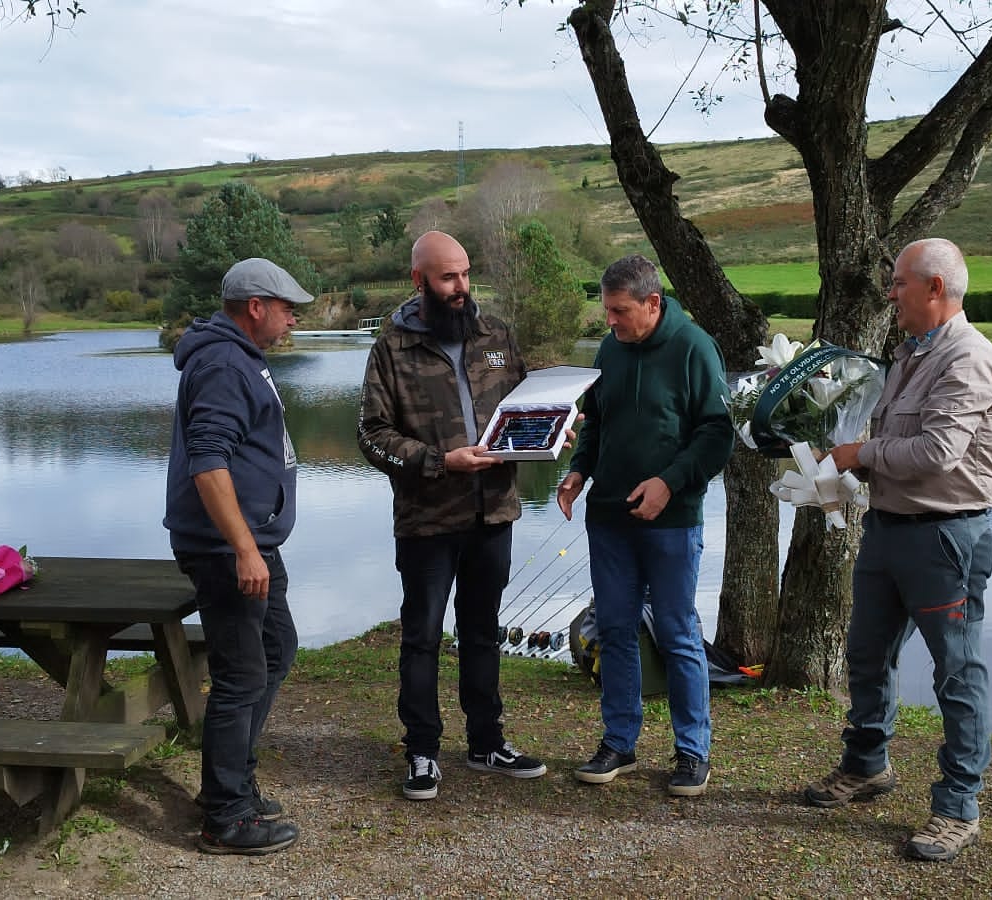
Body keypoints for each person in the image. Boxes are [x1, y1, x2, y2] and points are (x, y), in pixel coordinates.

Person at [807, 237, 992, 863]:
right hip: (888, 529)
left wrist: (857, 456)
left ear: (936, 289)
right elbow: (893, 442)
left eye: (899, 283)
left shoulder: (969, 360)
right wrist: (839, 472)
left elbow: (936, 455)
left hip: (946, 538)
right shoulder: (908, 355)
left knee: (956, 670)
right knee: (865, 652)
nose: (889, 293)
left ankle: (957, 807)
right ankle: (867, 764)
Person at [357, 231, 549, 801]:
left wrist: (554, 424)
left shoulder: (495, 334)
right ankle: (421, 751)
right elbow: (373, 436)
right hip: (427, 520)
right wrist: (440, 461)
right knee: (421, 637)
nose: (461, 288)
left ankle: (487, 741)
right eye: (448, 278)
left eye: (465, 274)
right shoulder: (391, 347)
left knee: (482, 631)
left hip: (494, 513)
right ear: (419, 281)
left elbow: (523, 407)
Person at [555, 254, 733, 798]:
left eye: (620, 311)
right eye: (607, 311)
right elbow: (596, 421)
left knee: (679, 634)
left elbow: (716, 433)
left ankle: (691, 751)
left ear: (653, 304)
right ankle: (619, 743)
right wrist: (578, 471)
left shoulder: (694, 348)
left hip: (671, 520)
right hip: (608, 518)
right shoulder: (612, 348)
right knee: (614, 628)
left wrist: (669, 483)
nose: (610, 321)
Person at [165, 258, 312, 856]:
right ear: (255, 306)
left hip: (249, 542)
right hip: (227, 549)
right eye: (286, 308)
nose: (292, 317)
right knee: (241, 674)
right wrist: (244, 549)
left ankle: (234, 784)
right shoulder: (225, 363)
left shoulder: (240, 357)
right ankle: (225, 816)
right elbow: (208, 460)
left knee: (277, 649)